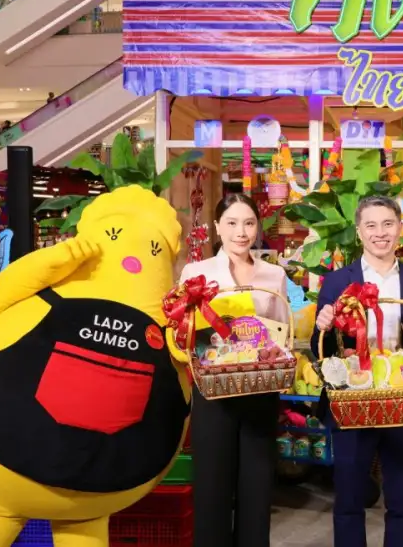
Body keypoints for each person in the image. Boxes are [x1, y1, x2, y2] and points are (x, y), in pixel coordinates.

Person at [311, 195, 403, 547]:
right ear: (359, 232)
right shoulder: (337, 282)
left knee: (402, 499)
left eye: (387, 224)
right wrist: (324, 325)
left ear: (400, 229)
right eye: (371, 225)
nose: (380, 233)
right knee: (349, 498)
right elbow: (320, 347)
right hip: (353, 403)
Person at [178, 192, 288, 547]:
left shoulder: (274, 274)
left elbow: (281, 332)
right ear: (217, 227)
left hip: (259, 389)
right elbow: (183, 331)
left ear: (257, 227)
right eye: (232, 223)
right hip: (213, 395)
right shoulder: (196, 273)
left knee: (257, 489)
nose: (241, 232)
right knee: (212, 489)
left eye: (249, 223)